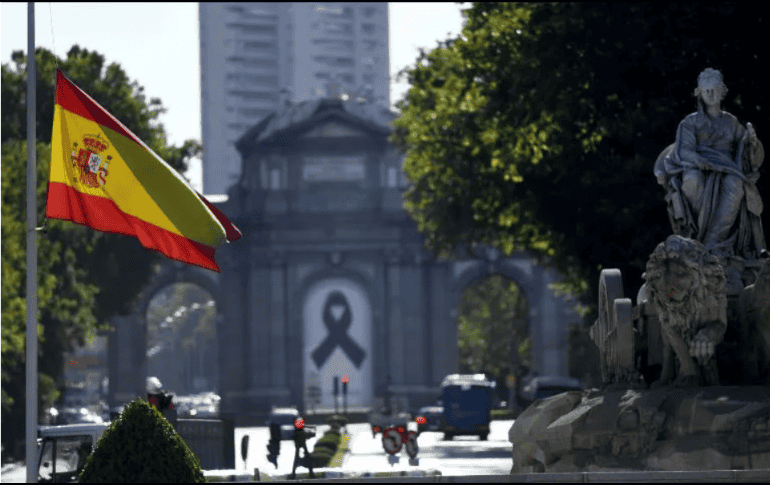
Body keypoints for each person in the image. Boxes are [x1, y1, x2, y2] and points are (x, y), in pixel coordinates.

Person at [654, 68, 765, 260]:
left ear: (722, 91)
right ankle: (700, 239)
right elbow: (684, 150)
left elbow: (746, 151)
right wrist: (701, 162)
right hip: (697, 167)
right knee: (693, 181)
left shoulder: (731, 122)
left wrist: (751, 141)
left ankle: (713, 242)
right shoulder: (689, 122)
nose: (711, 94)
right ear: (700, 93)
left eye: (714, 89)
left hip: (726, 168)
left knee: (735, 185)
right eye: (707, 90)